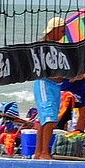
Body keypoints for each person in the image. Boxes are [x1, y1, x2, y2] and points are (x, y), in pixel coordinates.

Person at [33, 17, 68, 160]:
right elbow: (42, 69)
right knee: (48, 119)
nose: (63, 34)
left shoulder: (56, 45)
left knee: (46, 119)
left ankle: (39, 152)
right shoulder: (43, 45)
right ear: (53, 30)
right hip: (44, 83)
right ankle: (44, 152)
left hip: (54, 85)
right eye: (61, 30)